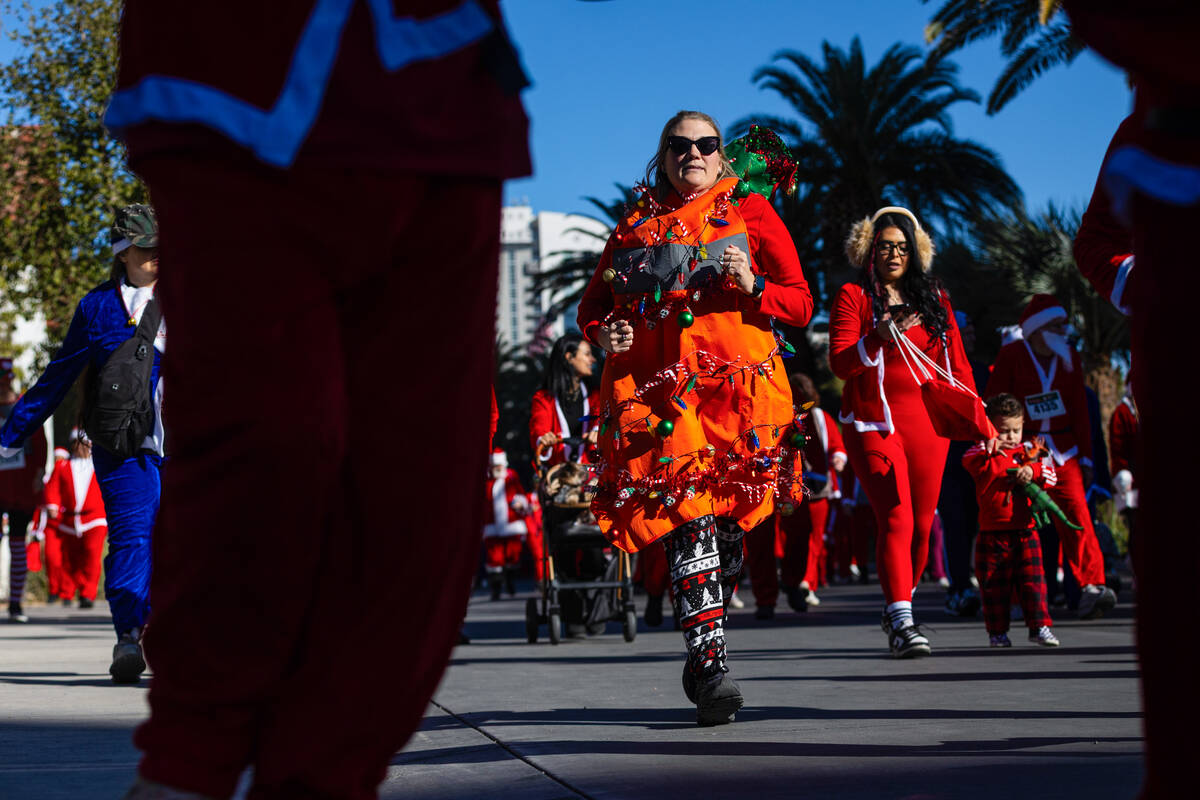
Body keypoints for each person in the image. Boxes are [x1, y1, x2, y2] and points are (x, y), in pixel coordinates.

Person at [104, 2, 530, 796]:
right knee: (264, 450)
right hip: (233, 82)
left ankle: (325, 776)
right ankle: (187, 769)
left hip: (439, 94)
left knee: (421, 503)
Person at [578, 111, 813, 725]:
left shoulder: (755, 215)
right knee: (691, 527)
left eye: (706, 144)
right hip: (665, 406)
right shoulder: (633, 227)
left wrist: (755, 284)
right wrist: (608, 331)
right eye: (680, 146)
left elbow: (801, 302)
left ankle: (702, 647)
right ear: (663, 156)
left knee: (728, 540)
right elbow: (594, 309)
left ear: (720, 155)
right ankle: (712, 671)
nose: (694, 154)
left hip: (740, 407)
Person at [0, 206, 163, 678]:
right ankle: (128, 637)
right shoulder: (96, 308)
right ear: (125, 251)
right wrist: (12, 434)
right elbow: (59, 376)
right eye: (148, 249)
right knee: (132, 537)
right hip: (122, 442)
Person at [829, 206, 976, 658]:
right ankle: (901, 619)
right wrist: (877, 338)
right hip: (873, 422)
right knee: (896, 516)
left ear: (914, 253)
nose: (893, 253)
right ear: (869, 250)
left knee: (921, 526)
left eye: (901, 247)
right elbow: (839, 362)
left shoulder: (935, 298)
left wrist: (979, 422)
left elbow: (959, 367)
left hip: (928, 425)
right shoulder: (854, 296)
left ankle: (901, 604)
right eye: (885, 245)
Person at [985, 294, 1117, 619]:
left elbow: (1080, 413)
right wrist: (1002, 446)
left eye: (1063, 324)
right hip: (1025, 450)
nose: (1064, 329)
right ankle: (1018, 594)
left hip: (1063, 451)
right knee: (1021, 521)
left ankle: (1092, 587)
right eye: (1057, 325)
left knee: (1078, 517)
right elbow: (994, 401)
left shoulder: (1068, 356)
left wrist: (1086, 459)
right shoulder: (1012, 354)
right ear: (1039, 329)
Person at [962, 394, 1060, 648]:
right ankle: (997, 632)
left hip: (1026, 530)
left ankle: (1039, 627)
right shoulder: (982, 451)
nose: (1011, 437)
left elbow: (1052, 477)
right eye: (1003, 431)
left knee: (1034, 582)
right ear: (991, 427)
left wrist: (1034, 470)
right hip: (992, 532)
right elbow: (968, 460)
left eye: (1016, 430)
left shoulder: (1030, 451)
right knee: (993, 585)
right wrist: (989, 444)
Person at [746, 371, 845, 619]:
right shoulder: (750, 388)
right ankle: (765, 597)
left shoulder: (799, 397)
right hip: (757, 474)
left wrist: (820, 472)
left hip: (792, 475)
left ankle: (793, 583)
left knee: (800, 533)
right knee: (759, 538)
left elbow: (811, 436)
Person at [0, 361, 47, 623]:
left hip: (21, 486)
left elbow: (40, 441)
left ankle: (15, 603)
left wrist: (40, 472)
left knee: (18, 545)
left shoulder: (23, 407)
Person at [42, 430, 107, 609]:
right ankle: (68, 592)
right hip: (69, 520)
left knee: (92, 556)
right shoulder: (63, 466)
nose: (82, 448)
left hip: (95, 519)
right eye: (78, 444)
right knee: (70, 558)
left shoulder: (99, 465)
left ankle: (87, 594)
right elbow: (52, 487)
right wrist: (53, 505)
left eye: (85, 444)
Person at [530, 333, 599, 467]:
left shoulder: (596, 395)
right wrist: (543, 438)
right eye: (587, 354)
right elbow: (539, 427)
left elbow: (601, 420)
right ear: (569, 357)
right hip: (558, 474)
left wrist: (598, 431)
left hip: (590, 473)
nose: (593, 359)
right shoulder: (543, 398)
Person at [483, 449, 529, 600]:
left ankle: (510, 583)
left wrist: (520, 503)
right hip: (491, 525)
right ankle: (495, 589)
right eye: (494, 466)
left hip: (511, 524)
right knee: (494, 560)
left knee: (512, 557)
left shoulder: (511, 476)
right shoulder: (486, 479)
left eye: (499, 465)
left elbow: (520, 494)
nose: (497, 469)